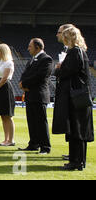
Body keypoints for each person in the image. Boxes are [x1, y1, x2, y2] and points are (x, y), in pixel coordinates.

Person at [53, 27, 94, 171]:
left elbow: (65, 72)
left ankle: (77, 161)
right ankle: (75, 160)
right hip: (76, 96)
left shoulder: (75, 52)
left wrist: (58, 68)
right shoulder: (78, 52)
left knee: (77, 130)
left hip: (75, 98)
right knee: (76, 130)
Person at [18, 38, 53, 154]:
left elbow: (40, 76)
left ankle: (45, 147)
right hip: (30, 94)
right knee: (32, 121)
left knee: (41, 122)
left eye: (30, 46)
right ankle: (33, 144)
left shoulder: (46, 59)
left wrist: (25, 83)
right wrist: (22, 83)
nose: (28, 48)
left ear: (37, 47)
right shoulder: (32, 59)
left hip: (39, 94)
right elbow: (25, 74)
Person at [54, 23, 76, 162]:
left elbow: (68, 72)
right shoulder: (69, 50)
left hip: (72, 94)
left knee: (74, 126)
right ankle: (73, 154)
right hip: (67, 93)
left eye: (59, 32)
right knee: (70, 126)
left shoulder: (75, 52)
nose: (57, 34)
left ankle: (75, 157)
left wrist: (59, 68)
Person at [0, 44, 16, 146]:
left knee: (8, 115)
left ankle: (11, 140)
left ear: (3, 52)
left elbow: (5, 78)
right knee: (3, 115)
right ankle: (6, 139)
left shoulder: (9, 63)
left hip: (5, 88)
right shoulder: (1, 63)